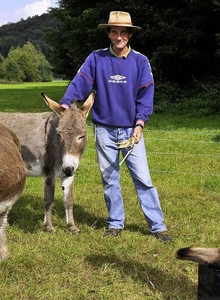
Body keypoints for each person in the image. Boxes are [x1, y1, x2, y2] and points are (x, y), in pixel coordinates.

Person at [60, 11, 171, 243]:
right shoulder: (96, 59)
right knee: (110, 178)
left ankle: (158, 227)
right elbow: (79, 83)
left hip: (132, 131)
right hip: (104, 130)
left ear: (130, 35)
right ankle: (115, 222)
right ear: (109, 34)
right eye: (114, 31)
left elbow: (146, 95)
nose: (118, 36)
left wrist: (140, 123)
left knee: (143, 178)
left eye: (123, 32)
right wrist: (64, 104)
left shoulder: (140, 61)